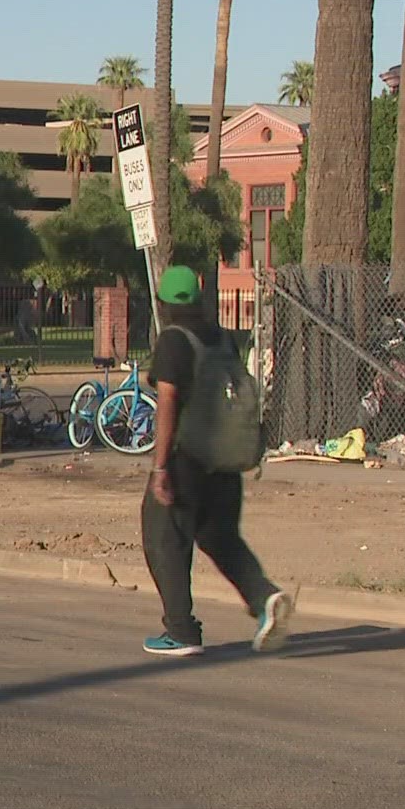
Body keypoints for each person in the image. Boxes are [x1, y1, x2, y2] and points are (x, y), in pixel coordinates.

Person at [141, 265, 292, 656]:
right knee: (220, 537)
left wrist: (160, 467)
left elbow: (169, 400)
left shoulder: (174, 341)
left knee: (164, 540)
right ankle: (264, 598)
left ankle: (181, 631)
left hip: (186, 461)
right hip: (225, 462)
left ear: (164, 302)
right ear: (198, 297)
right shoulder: (222, 338)